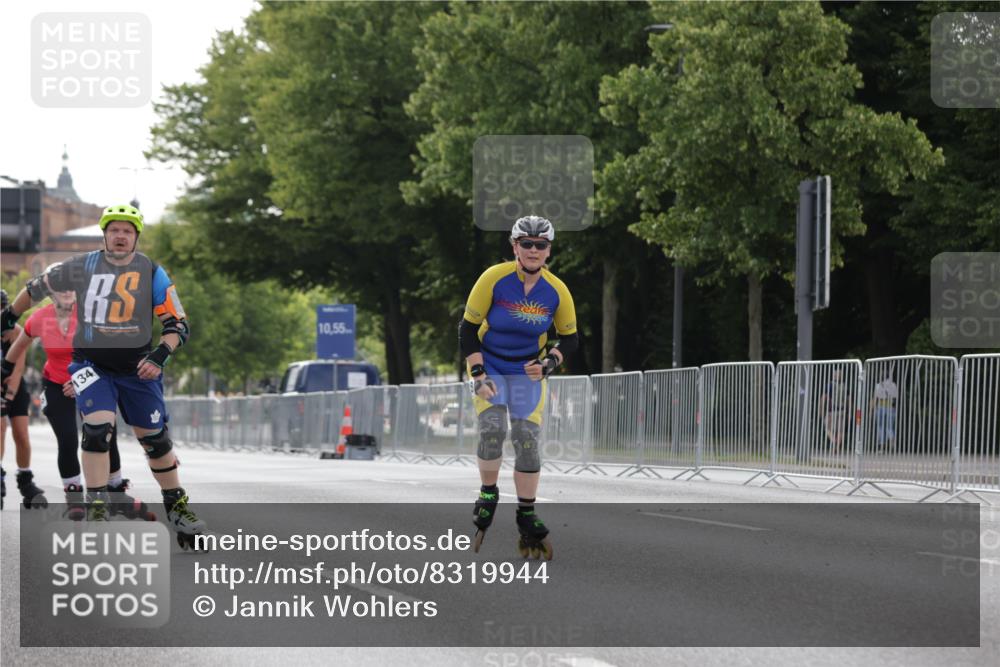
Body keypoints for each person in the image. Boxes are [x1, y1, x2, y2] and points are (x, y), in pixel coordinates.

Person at [0, 204, 205, 549]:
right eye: (114, 230)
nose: (120, 236)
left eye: (127, 231)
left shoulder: (152, 272)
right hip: (90, 365)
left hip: (138, 368)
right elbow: (37, 288)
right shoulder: (82, 267)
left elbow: (178, 325)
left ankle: (177, 506)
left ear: (136, 237)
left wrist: (160, 355)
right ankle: (96, 512)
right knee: (96, 431)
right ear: (105, 235)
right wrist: (8, 316)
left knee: (156, 442)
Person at [458, 215, 577, 560]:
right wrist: (478, 373)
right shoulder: (493, 279)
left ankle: (526, 512)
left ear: (549, 250)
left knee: (526, 440)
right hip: (491, 363)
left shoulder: (556, 290)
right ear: (515, 247)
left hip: (526, 371)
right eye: (527, 244)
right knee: (493, 429)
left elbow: (570, 339)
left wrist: (549, 364)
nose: (533, 250)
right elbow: (467, 330)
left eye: (541, 245)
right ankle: (488, 493)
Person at [3, 276, 155, 521]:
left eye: (70, 288)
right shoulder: (40, 318)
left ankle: (115, 492)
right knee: (67, 438)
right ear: (50, 293)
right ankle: (73, 496)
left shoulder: (91, 316)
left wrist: (83, 379)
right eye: (59, 288)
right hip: (55, 384)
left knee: (103, 433)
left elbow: (109, 352)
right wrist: (5, 370)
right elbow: (18, 347)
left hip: (90, 379)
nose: (65, 292)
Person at [1, 289, 48, 510]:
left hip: (15, 386)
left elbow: (17, 368)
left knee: (21, 434)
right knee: (0, 429)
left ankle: (25, 480)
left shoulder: (16, 331)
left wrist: (7, 396)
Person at [819, 368, 849, 455]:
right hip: (842, 411)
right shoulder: (844, 386)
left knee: (827, 427)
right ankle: (836, 448)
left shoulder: (829, 385)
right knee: (841, 430)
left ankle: (833, 440)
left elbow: (823, 398)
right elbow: (848, 400)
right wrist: (849, 412)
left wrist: (821, 409)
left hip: (832, 411)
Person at [872, 371, 898, 453]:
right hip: (891, 407)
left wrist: (871, 410)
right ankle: (892, 445)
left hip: (880, 407)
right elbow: (896, 398)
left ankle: (881, 448)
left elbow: (875, 398)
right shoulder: (893, 385)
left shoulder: (878, 385)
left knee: (880, 427)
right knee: (890, 427)